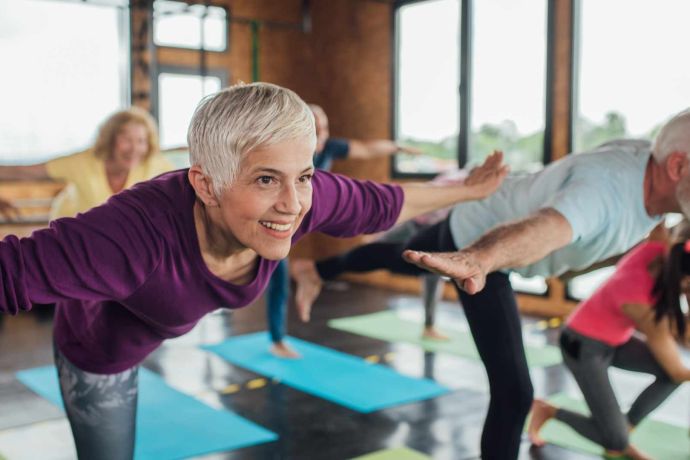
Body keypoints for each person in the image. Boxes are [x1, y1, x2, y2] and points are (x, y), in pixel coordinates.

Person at [0, 82, 508, 460]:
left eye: (303, 176)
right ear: (205, 183)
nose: (292, 205)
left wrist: (469, 190)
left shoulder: (306, 196)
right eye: (266, 180)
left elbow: (385, 201)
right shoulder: (129, 235)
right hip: (100, 346)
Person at [292, 108, 690, 460]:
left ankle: (317, 270)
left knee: (401, 257)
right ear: (676, 166)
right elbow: (547, 227)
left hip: (481, 224)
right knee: (515, 393)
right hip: (480, 242)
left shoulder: (649, 170)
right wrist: (478, 259)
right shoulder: (606, 191)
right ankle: (318, 270)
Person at [266, 103, 423, 358]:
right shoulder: (287, 150)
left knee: (278, 279)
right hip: (270, 221)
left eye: (324, 128)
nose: (322, 134)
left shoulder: (330, 147)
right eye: (315, 129)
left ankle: (277, 339)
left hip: (291, 227)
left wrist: (398, 147)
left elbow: (365, 148)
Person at [526, 222, 690, 460]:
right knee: (615, 441)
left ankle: (623, 429)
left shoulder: (657, 249)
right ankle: (550, 411)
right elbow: (676, 369)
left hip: (617, 340)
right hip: (582, 345)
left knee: (667, 379)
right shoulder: (642, 306)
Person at [0, 107, 173, 220]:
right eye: (126, 139)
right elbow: (26, 171)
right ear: (110, 139)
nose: (134, 148)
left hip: (118, 243)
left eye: (141, 141)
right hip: (69, 236)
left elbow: (184, 185)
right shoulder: (83, 161)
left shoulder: (154, 163)